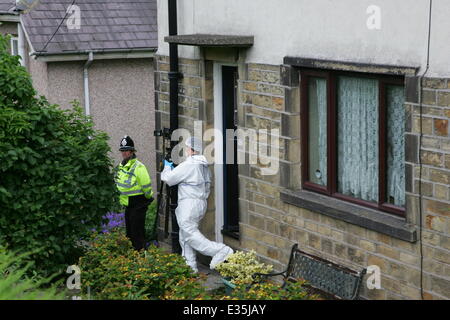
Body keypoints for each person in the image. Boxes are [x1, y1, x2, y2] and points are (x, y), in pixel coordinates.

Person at [161, 137, 233, 273]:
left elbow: (169, 179)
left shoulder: (189, 164)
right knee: (185, 235)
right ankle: (190, 266)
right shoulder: (203, 165)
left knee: (189, 234)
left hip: (189, 203)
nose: (186, 150)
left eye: (187, 148)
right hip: (200, 203)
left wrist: (166, 167)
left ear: (191, 150)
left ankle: (221, 250)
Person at [115, 135, 153, 250]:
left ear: (132, 151)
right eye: (122, 151)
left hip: (139, 202)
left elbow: (146, 185)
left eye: (126, 150)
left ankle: (141, 257)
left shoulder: (139, 167)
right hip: (128, 204)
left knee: (137, 233)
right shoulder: (122, 166)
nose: (124, 153)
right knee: (130, 233)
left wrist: (147, 197)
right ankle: (134, 256)